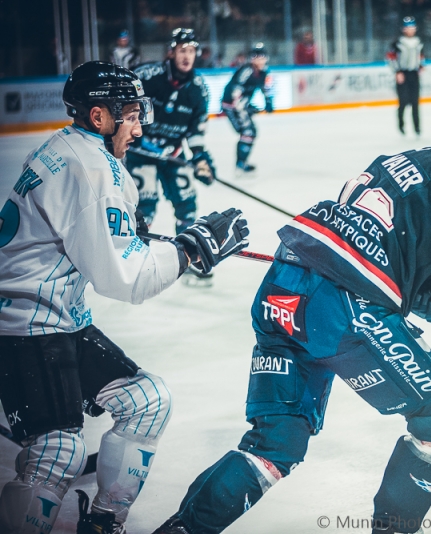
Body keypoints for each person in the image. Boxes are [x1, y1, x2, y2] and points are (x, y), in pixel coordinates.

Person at [151, 91, 431, 534]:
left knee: (275, 443)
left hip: (283, 285)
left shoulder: (421, 160)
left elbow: (397, 252)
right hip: (344, 308)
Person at [0, 61, 249, 534]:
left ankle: (103, 520)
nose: (140, 127)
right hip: (25, 328)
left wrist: (137, 234)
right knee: (59, 451)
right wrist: (192, 250)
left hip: (56, 317)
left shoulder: (68, 147)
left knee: (147, 401)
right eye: (131, 115)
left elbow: (87, 238)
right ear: (99, 117)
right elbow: (128, 279)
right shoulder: (92, 170)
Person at [125, 28, 217, 284]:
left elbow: (196, 130)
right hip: (141, 154)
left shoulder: (199, 89)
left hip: (174, 154)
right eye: (182, 50)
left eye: (192, 51)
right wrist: (137, 138)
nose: (187, 56)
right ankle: (132, 259)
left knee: (186, 203)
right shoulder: (147, 76)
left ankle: (185, 257)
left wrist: (200, 159)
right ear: (172, 52)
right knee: (144, 208)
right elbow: (125, 110)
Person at [222, 43, 274, 176]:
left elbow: (265, 88)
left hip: (241, 105)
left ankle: (241, 162)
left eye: (262, 57)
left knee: (250, 132)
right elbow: (235, 91)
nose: (259, 60)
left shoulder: (263, 72)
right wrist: (245, 107)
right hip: (231, 105)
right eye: (256, 57)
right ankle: (240, 164)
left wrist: (268, 102)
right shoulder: (246, 71)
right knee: (247, 132)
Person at [387, 16, 424, 137]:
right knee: (403, 101)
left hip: (414, 74)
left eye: (412, 27)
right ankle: (401, 125)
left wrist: (420, 66)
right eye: (408, 28)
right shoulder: (397, 43)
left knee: (415, 102)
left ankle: (417, 127)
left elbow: (421, 56)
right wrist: (397, 72)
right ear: (403, 29)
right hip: (402, 73)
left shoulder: (419, 42)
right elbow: (391, 58)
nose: (410, 30)